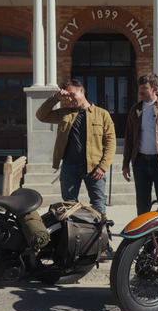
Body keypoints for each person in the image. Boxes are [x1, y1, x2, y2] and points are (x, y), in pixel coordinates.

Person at [36, 78, 116, 216]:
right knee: (69, 204)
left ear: (81, 90)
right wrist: (55, 98)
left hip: (94, 168)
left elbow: (110, 142)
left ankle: (101, 233)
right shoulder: (64, 113)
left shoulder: (102, 114)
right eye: (68, 96)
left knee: (98, 204)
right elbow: (41, 116)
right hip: (70, 167)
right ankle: (73, 234)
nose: (71, 99)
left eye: (72, 95)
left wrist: (103, 166)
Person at [122, 73, 158, 215]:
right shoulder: (135, 110)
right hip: (141, 162)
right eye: (140, 87)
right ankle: (145, 236)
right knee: (142, 204)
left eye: (144, 88)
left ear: (155, 88)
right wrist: (126, 165)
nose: (140, 91)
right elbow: (129, 138)